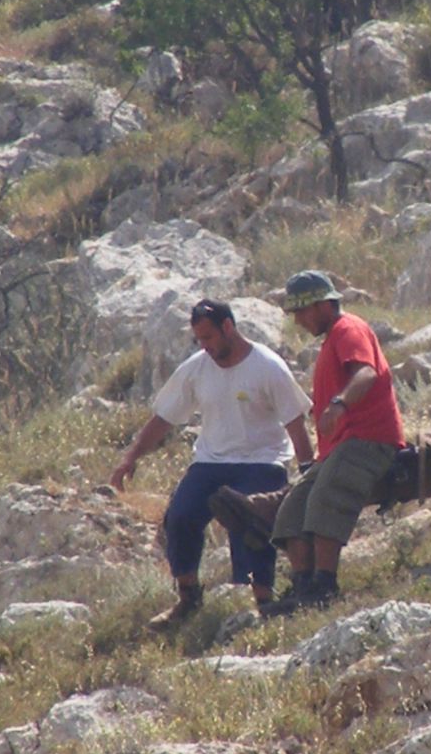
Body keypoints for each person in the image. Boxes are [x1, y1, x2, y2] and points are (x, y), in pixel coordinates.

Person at [109, 299, 313, 630]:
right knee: (180, 516)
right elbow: (164, 418)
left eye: (209, 338)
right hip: (211, 461)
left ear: (228, 328)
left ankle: (262, 599)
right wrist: (130, 458)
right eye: (199, 340)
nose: (204, 346)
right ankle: (188, 597)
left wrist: (308, 472)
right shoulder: (196, 368)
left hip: (262, 460)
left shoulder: (268, 367)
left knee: (249, 519)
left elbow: (295, 424)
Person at [258, 270, 406, 617]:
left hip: (368, 439)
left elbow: (366, 373)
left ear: (324, 304)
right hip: (340, 446)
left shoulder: (348, 330)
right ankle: (303, 586)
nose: (299, 321)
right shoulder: (331, 340)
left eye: (303, 311)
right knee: (293, 509)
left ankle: (325, 587)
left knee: (328, 496)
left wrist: (340, 404)